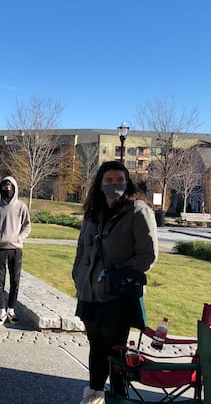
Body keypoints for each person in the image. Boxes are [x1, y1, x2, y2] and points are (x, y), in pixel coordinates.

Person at [72, 161, 158, 404]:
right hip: (89, 292)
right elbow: (81, 248)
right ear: (100, 183)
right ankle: (94, 394)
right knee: (95, 346)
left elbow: (148, 255)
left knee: (115, 351)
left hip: (116, 294)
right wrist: (78, 274)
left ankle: (119, 398)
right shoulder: (93, 212)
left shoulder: (138, 211)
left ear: (127, 181)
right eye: (108, 180)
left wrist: (116, 272)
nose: (114, 185)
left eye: (119, 180)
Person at [0, 176, 31, 325]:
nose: (8, 189)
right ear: (1, 188)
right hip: (0, 248)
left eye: (10, 186)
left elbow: (27, 226)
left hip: (16, 249)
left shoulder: (21, 207)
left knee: (15, 280)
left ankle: (11, 310)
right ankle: (1, 311)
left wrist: (20, 238)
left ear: (15, 188)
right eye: (5, 186)